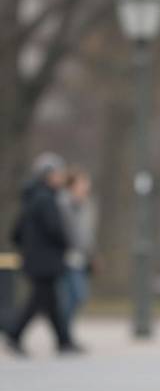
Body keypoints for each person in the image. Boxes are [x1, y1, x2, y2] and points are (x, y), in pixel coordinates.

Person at [6, 152, 80, 355]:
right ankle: (13, 333)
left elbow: (16, 232)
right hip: (45, 260)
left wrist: (28, 247)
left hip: (36, 258)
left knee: (49, 301)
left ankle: (63, 340)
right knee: (38, 301)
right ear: (47, 176)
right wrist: (65, 244)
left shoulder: (31, 198)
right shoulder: (45, 198)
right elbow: (54, 228)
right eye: (57, 174)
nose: (60, 178)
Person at [58, 167, 97, 340]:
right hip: (65, 257)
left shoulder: (87, 204)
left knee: (77, 296)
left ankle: (65, 332)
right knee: (72, 295)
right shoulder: (62, 203)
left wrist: (92, 254)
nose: (86, 186)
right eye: (82, 183)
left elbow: (87, 233)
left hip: (80, 258)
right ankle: (64, 334)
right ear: (72, 185)